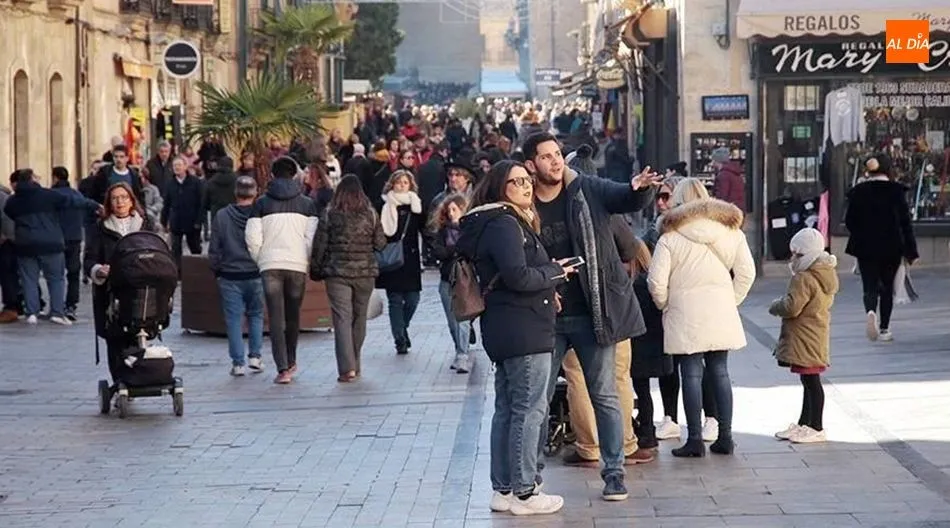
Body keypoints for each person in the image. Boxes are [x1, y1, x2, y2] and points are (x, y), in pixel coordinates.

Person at [524, 131, 660, 500]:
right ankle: (530, 478)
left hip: (593, 311)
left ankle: (614, 473)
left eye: (557, 154)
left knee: (604, 394)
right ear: (531, 164)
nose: (555, 161)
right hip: (547, 317)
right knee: (537, 399)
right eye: (546, 156)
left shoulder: (585, 189)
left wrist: (638, 188)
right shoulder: (524, 204)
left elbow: (622, 196)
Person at [457, 160, 579, 516]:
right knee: (529, 409)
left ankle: (505, 489)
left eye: (527, 180)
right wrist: (555, 272)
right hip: (523, 328)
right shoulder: (505, 223)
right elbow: (518, 276)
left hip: (508, 325)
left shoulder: (494, 222)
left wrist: (547, 282)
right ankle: (525, 491)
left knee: (509, 409)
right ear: (500, 188)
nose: (526, 186)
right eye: (517, 182)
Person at [647, 178, 755, 457]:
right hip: (720, 309)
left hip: (685, 313)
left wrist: (666, 305)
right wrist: (731, 300)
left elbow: (656, 282)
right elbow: (747, 273)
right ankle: (725, 437)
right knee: (720, 371)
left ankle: (694, 439)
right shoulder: (731, 232)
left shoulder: (669, 237)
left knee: (691, 373)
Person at [246, 157, 319, 384]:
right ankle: (292, 359)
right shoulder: (307, 204)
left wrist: (261, 259)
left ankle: (282, 368)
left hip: (270, 265)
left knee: (275, 317)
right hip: (297, 264)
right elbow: (311, 238)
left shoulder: (260, 204)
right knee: (293, 314)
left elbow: (252, 237)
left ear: (272, 175)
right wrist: (304, 258)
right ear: (295, 175)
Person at [310, 175, 386, 382]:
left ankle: (347, 368)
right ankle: (355, 362)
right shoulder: (370, 213)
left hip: (337, 273)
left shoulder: (330, 213)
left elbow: (320, 244)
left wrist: (315, 269)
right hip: (365, 273)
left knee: (342, 319)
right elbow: (381, 243)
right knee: (359, 318)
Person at [4, 169, 100, 325]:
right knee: (56, 278)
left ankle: (32, 312)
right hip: (51, 243)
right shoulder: (48, 195)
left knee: (29, 279)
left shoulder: (13, 201)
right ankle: (56, 312)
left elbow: (9, 212)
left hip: (25, 244)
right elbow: (73, 201)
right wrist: (95, 205)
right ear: (32, 179)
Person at [769, 228, 838, 444]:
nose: (793, 258)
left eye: (797, 254)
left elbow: (792, 307)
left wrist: (775, 305)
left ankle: (816, 426)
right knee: (808, 380)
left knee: (811, 381)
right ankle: (804, 423)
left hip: (804, 336)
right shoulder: (825, 274)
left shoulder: (803, 277)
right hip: (815, 333)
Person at [844, 154, 918, 342]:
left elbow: (850, 221)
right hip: (891, 246)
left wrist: (861, 234)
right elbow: (905, 223)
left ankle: (870, 311)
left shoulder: (858, 191)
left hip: (865, 247)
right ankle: (884, 329)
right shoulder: (896, 191)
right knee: (887, 288)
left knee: (869, 286)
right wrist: (911, 251)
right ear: (888, 169)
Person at [83, 183, 151, 381]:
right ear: (109, 203)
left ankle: (139, 377)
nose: (120, 202)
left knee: (138, 335)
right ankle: (120, 380)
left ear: (131, 201)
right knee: (115, 339)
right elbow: (89, 260)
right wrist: (98, 270)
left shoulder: (144, 225)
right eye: (115, 198)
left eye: (124, 197)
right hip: (111, 293)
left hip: (139, 291)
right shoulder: (100, 228)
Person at [209, 176, 265, 377]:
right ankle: (255, 357)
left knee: (233, 319)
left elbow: (215, 247)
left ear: (235, 193)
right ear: (255, 193)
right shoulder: (260, 215)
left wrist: (216, 269)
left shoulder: (222, 215)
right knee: (256, 315)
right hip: (255, 271)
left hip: (230, 273)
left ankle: (238, 363)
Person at [628, 236, 674, 449]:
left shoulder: (633, 285)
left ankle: (646, 430)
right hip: (657, 343)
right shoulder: (652, 283)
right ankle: (649, 428)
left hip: (639, 345)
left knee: (642, 389)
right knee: (645, 390)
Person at [376, 169, 424, 355]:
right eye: (399, 182)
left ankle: (402, 329)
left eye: (405, 182)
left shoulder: (416, 206)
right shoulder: (384, 205)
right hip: (391, 259)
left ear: (411, 185)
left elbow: (425, 229)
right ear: (392, 184)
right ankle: (400, 339)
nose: (402, 186)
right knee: (395, 301)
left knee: (413, 299)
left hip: (411, 259)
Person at [428, 193, 472, 373]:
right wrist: (454, 250)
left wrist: (452, 250)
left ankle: (463, 355)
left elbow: (470, 250)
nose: (452, 213)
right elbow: (438, 252)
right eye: (449, 210)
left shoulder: (470, 230)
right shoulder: (442, 231)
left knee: (463, 318)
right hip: (447, 279)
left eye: (455, 209)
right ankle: (459, 348)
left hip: (465, 279)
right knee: (452, 320)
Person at [50, 167, 87, 321]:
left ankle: (57, 305)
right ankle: (71, 305)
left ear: (55, 178)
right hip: (74, 237)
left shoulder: (52, 195)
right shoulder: (76, 194)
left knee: (56, 275)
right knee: (73, 273)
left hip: (57, 238)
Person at [161, 156, 205, 272]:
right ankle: (178, 273)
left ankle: (198, 271)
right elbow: (166, 204)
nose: (177, 168)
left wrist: (199, 221)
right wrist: (164, 221)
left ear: (185, 166)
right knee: (175, 250)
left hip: (192, 221)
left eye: (179, 165)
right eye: (175, 165)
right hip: (176, 221)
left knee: (195, 248)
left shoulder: (195, 182)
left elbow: (201, 203)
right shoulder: (170, 184)